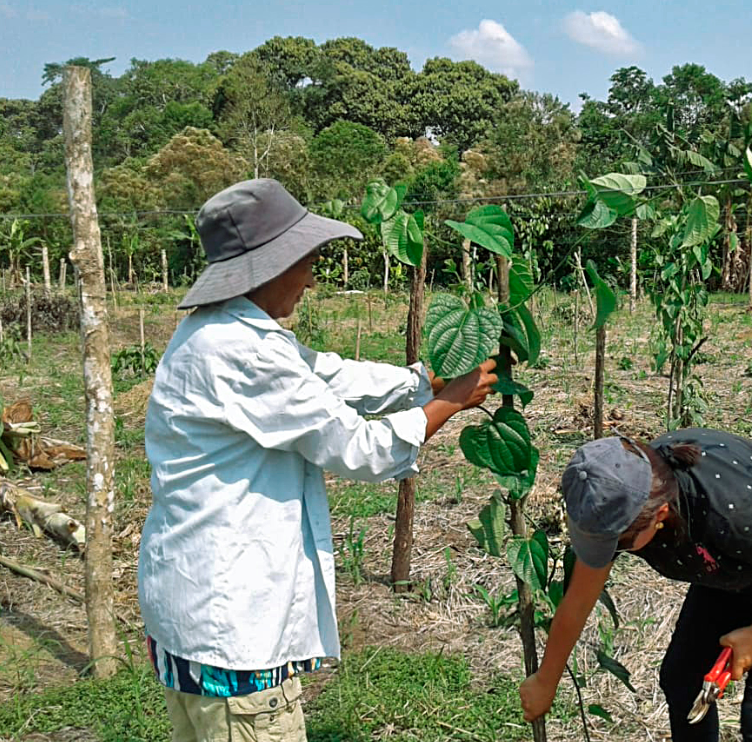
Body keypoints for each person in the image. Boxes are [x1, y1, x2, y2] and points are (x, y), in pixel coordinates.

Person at [138, 178, 497, 742]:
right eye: (303, 261)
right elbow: (359, 447)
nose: (310, 277)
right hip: (234, 634)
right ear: (267, 268)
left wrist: (418, 381)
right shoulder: (247, 354)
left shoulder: (215, 332)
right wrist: (450, 403)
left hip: (193, 611)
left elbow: (323, 372)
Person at [519, 429, 752, 742]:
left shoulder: (728, 510)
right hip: (729, 568)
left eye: (618, 542)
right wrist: (546, 680)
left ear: (659, 514)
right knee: (682, 680)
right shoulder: (619, 494)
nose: (609, 552)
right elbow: (577, 601)